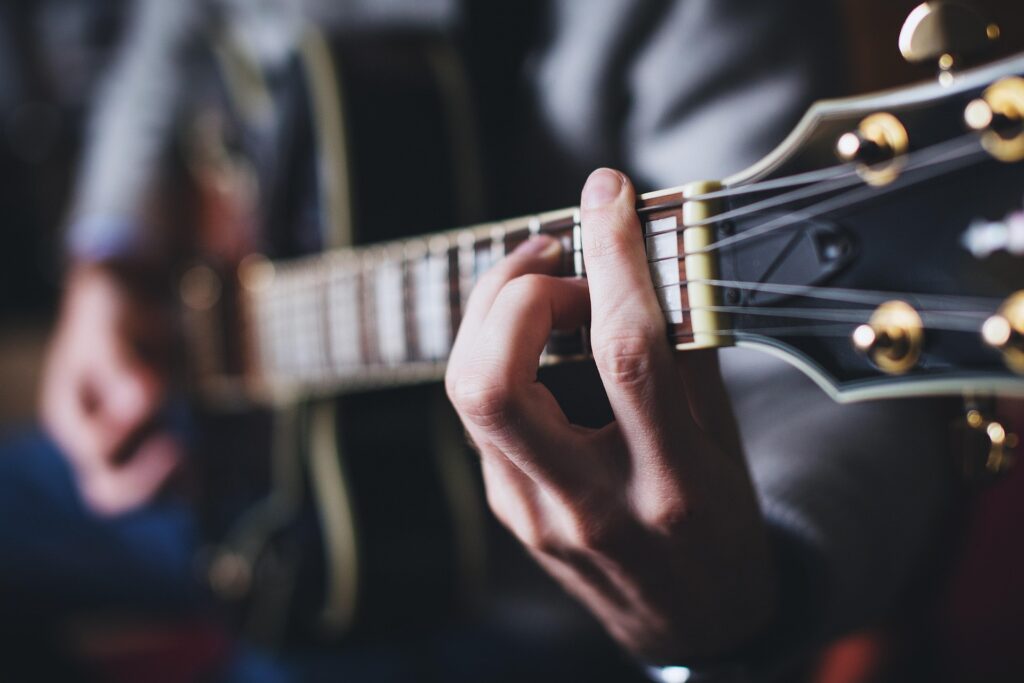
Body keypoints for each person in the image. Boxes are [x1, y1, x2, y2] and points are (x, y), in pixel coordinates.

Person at [13, 0, 957, 680]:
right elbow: (164, 32)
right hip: (197, 446)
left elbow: (828, 374)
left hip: (462, 586)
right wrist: (111, 260)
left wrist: (756, 588)